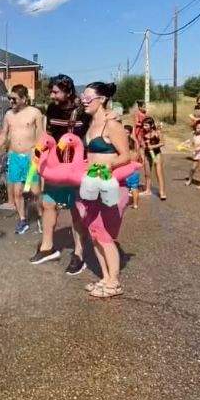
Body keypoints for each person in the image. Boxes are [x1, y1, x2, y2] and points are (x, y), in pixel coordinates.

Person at [75, 82, 131, 298]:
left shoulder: (112, 125)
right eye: (83, 97)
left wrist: (108, 166)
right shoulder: (90, 125)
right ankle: (105, 277)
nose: (84, 100)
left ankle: (114, 282)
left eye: (88, 97)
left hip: (110, 184)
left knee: (104, 233)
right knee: (93, 232)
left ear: (102, 99)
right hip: (91, 185)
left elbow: (127, 155)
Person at [33, 75, 88, 270]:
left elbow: (97, 125)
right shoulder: (52, 108)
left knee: (76, 211)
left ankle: (79, 254)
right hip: (55, 168)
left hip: (76, 169)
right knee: (48, 204)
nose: (52, 95)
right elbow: (49, 134)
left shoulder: (83, 110)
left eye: (56, 92)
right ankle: (47, 247)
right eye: (51, 91)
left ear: (69, 91)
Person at [0, 84, 44, 235]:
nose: (11, 102)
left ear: (24, 99)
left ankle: (41, 216)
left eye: (14, 99)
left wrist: (38, 155)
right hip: (14, 157)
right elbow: (3, 135)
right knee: (17, 192)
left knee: (35, 191)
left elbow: (41, 137)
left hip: (30, 156)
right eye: (9, 99)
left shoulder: (35, 113)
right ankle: (22, 220)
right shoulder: (8, 115)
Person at [142, 116, 167, 200]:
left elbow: (162, 143)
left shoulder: (157, 132)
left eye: (146, 125)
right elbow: (142, 143)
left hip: (156, 153)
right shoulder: (144, 133)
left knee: (159, 174)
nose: (144, 127)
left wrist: (153, 146)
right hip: (147, 154)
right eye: (143, 125)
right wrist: (143, 145)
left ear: (151, 125)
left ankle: (162, 192)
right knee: (147, 173)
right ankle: (148, 190)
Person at [123, 125, 142, 209]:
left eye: (126, 132)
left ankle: (124, 203)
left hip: (127, 168)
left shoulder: (122, 142)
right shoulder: (135, 143)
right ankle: (135, 204)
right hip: (134, 168)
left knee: (125, 187)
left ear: (130, 133)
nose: (124, 134)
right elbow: (138, 154)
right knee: (134, 187)